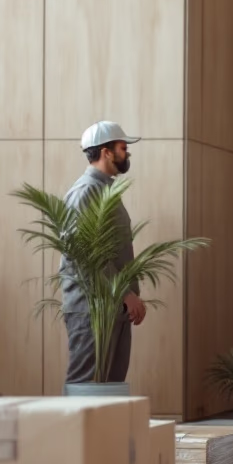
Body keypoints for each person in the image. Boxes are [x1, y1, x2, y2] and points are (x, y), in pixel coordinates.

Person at [62, 121, 147, 385]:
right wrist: (124, 292)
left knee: (110, 387)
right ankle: (75, 430)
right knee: (86, 384)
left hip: (113, 308)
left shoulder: (106, 189)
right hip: (92, 310)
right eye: (123, 147)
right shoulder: (86, 191)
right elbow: (83, 254)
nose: (127, 153)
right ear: (106, 152)